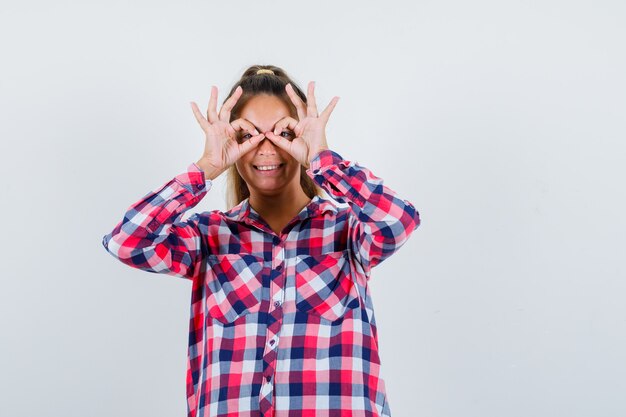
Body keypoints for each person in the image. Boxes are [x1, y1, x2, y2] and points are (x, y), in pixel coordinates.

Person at [102, 64, 421, 417]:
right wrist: (207, 165)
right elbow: (126, 242)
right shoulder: (208, 237)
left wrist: (323, 159)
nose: (266, 147)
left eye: (283, 133)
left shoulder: (347, 231)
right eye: (248, 135)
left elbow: (399, 220)